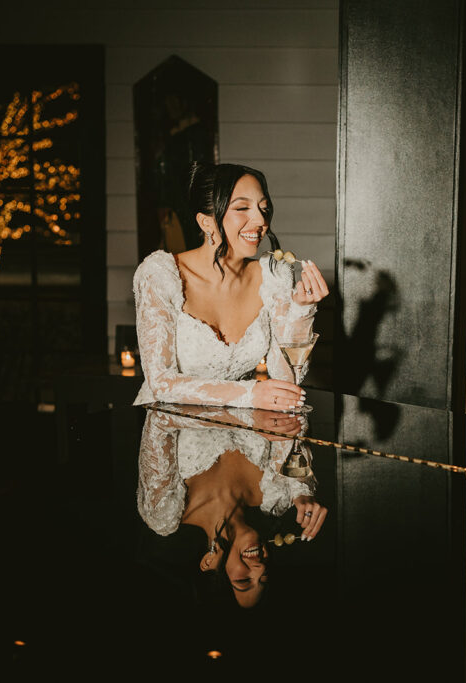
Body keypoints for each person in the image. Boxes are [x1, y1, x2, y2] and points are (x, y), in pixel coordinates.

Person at [133, 162, 329, 410]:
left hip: (237, 429)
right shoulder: (160, 274)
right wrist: (250, 394)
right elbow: (161, 382)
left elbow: (287, 380)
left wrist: (302, 310)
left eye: (263, 208)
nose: (260, 220)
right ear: (206, 222)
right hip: (166, 426)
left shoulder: (273, 275)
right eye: (242, 208)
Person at [137, 407, 327, 608]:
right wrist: (301, 487)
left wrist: (250, 418)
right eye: (264, 577)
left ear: (208, 564)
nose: (259, 569)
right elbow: (294, 415)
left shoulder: (163, 512)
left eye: (244, 581)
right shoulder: (276, 495)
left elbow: (159, 418)